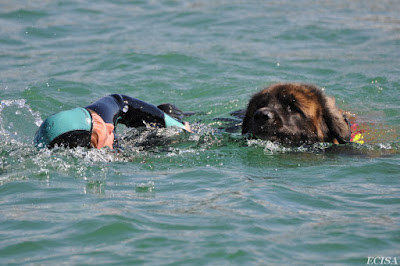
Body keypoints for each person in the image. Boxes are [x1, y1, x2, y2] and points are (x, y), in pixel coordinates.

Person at [34, 94, 192, 149]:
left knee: (170, 121)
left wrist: (178, 126)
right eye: (108, 132)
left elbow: (120, 99)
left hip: (142, 113)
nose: (112, 128)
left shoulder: (104, 111)